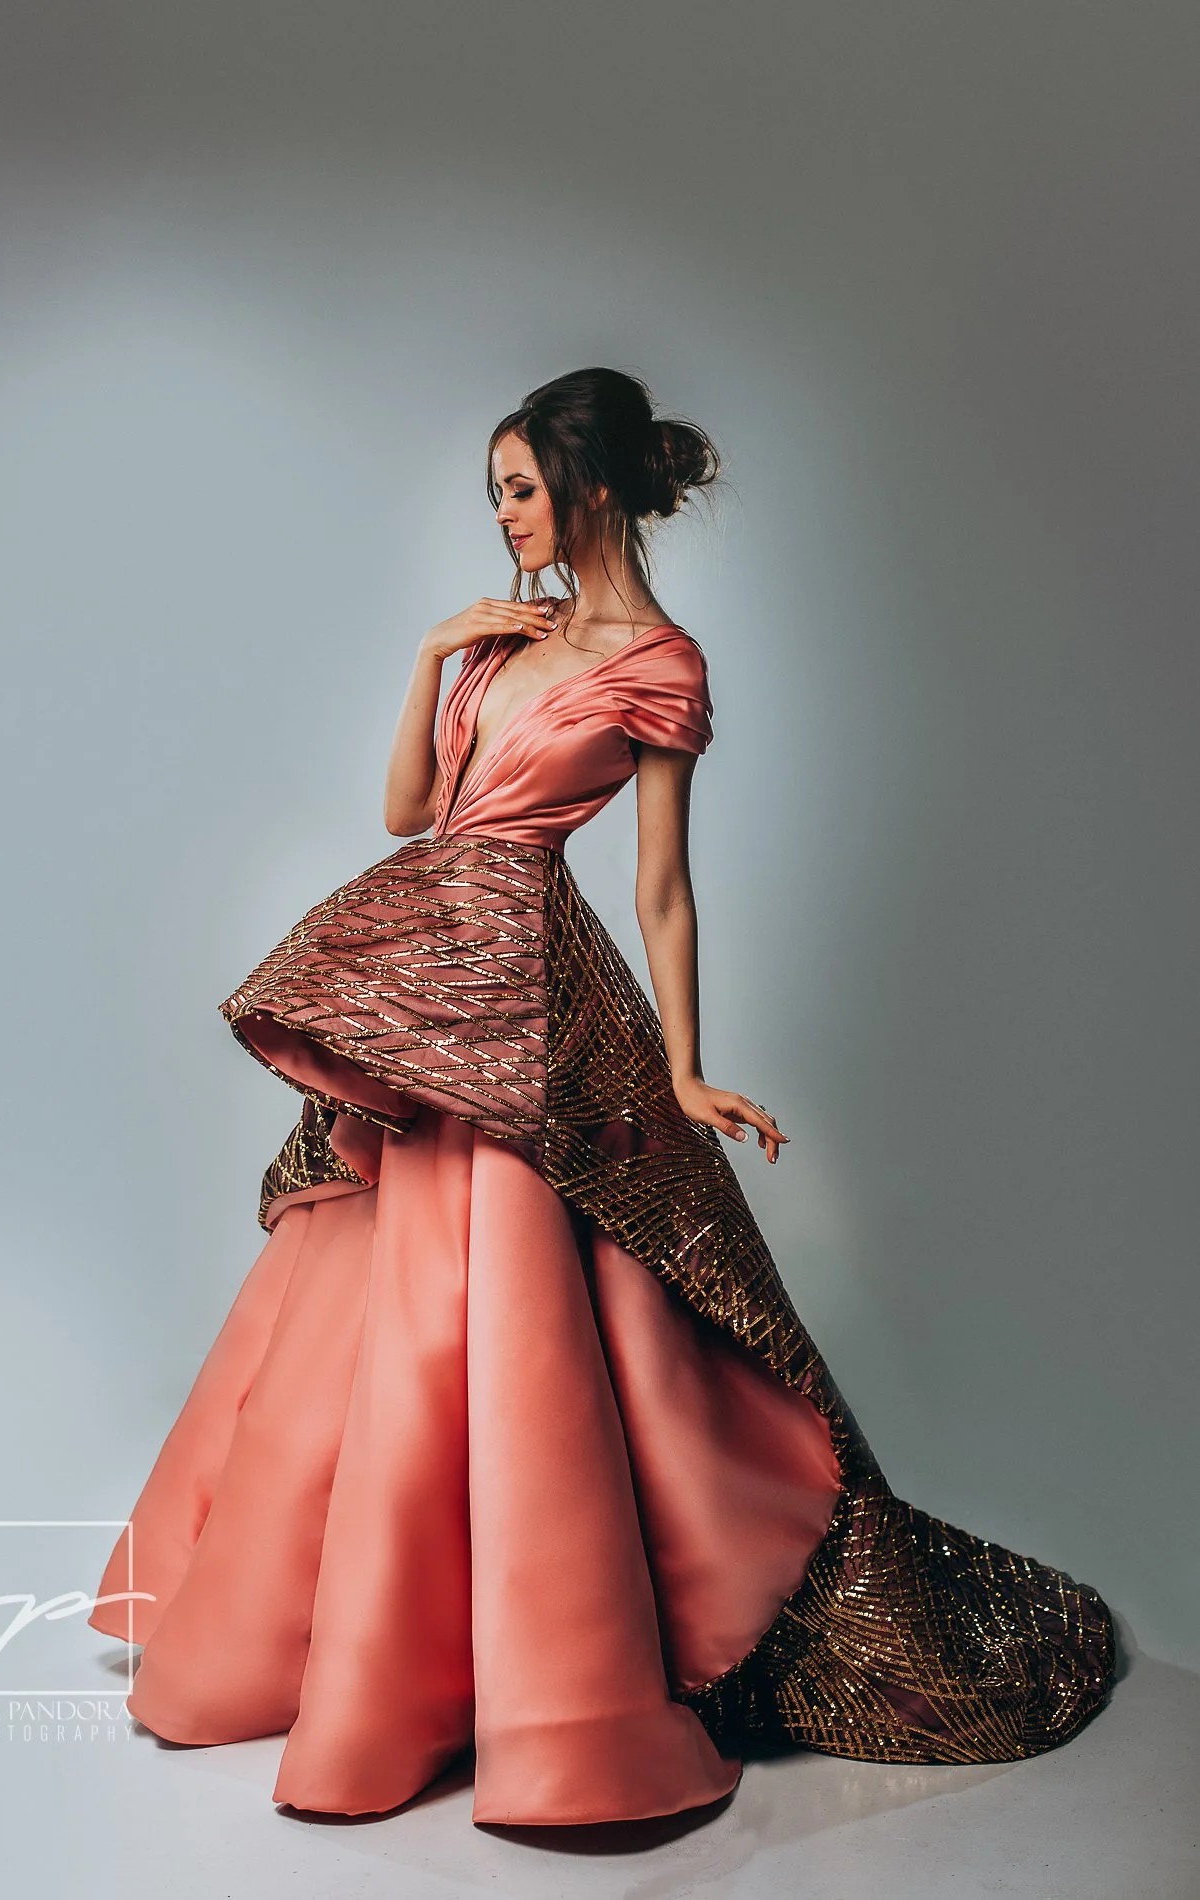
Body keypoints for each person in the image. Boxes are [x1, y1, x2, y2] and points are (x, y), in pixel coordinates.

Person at [89, 366, 1115, 1828]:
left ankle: (530, 1681)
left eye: (520, 486)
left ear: (592, 488)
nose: (505, 517)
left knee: (510, 1315)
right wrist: (438, 652)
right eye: (495, 492)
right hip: (426, 970)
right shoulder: (498, 639)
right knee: (368, 1314)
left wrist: (686, 1067)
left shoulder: (659, 663)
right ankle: (338, 1642)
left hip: (537, 991)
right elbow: (409, 817)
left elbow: (663, 889)